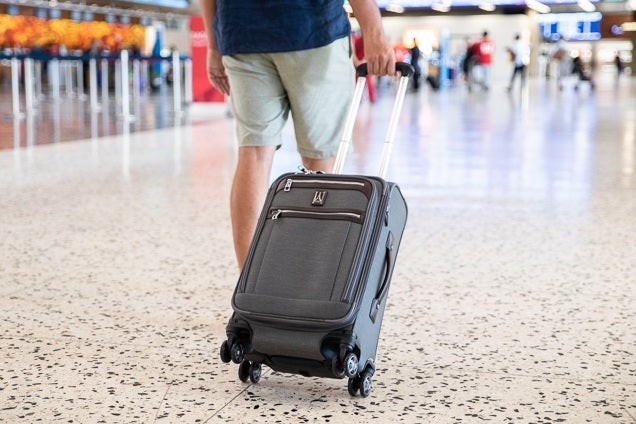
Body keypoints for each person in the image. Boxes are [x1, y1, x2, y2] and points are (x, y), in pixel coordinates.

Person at [199, 0, 396, 269]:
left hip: (241, 33)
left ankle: (249, 280)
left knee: (253, 153)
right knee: (321, 160)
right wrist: (374, 33)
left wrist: (214, 44)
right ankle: (314, 279)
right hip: (313, 28)